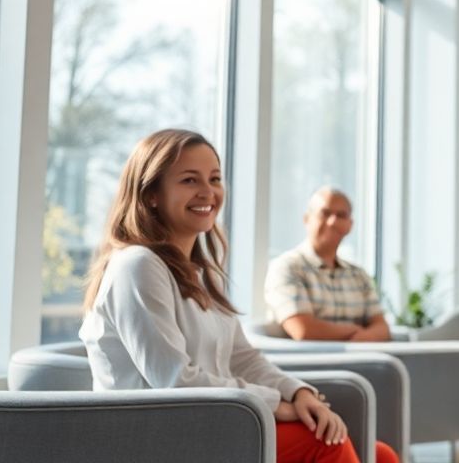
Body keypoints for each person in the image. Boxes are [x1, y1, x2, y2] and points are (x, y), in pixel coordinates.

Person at [80, 129, 395, 463]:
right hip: (160, 439)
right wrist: (274, 404)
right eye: (189, 180)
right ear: (151, 195)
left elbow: (242, 358)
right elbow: (175, 381)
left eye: (215, 179)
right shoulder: (137, 266)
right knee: (326, 446)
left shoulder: (200, 274)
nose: (208, 192)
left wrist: (296, 391)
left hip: (214, 422)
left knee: (379, 454)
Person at [265, 186, 391, 342]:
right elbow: (303, 330)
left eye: (341, 215)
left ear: (350, 225)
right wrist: (356, 332)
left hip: (361, 358)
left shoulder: (359, 275)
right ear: (307, 219)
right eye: (325, 213)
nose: (333, 222)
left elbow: (382, 329)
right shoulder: (286, 267)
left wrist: (357, 339)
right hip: (307, 359)